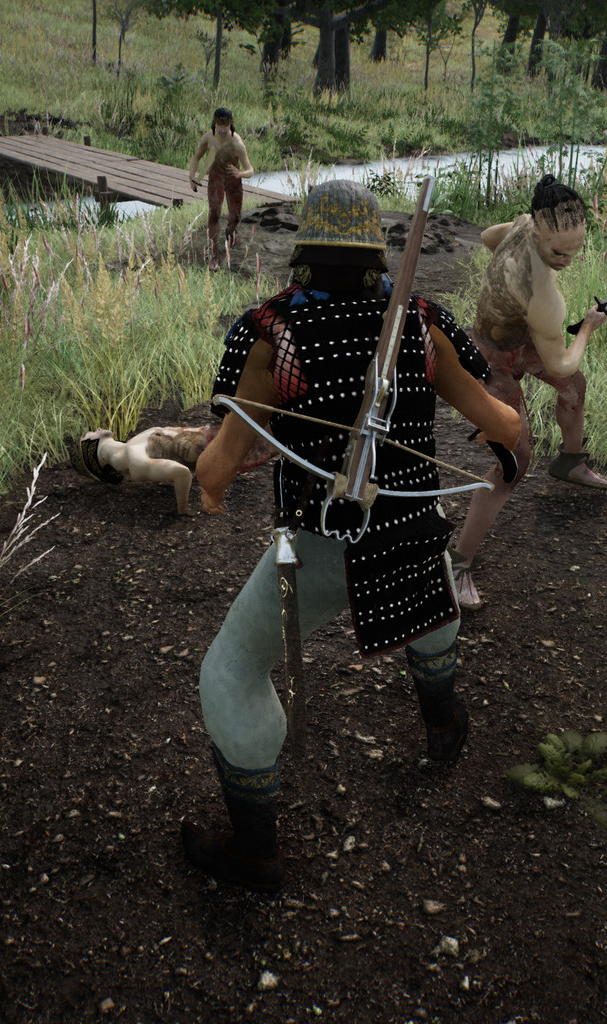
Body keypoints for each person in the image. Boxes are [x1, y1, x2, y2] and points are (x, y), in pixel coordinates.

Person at [182, 179, 521, 892]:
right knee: (428, 587)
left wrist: (216, 469)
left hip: (324, 541)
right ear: (374, 254)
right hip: (415, 523)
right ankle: (443, 723)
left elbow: (213, 477)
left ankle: (255, 853)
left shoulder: (275, 333)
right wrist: (507, 429)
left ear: (306, 250)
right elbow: (506, 426)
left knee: (230, 674)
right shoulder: (421, 323)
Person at [451, 176, 607, 612]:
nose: (568, 261)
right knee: (515, 459)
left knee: (574, 389)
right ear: (538, 229)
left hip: (521, 338)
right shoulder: (544, 298)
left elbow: (489, 236)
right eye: (558, 253)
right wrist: (588, 327)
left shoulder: (522, 223)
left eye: (576, 250)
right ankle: (458, 562)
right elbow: (562, 362)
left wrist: (507, 293)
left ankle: (570, 463)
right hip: (489, 357)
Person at [187, 107, 255, 269]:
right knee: (214, 214)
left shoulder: (237, 143)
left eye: (226, 126)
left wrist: (240, 174)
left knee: (235, 216)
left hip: (233, 178)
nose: (223, 130)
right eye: (220, 126)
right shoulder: (208, 138)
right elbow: (196, 157)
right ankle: (215, 254)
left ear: (231, 125)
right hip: (216, 176)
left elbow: (251, 170)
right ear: (214, 124)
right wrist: (192, 176)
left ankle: (230, 231)